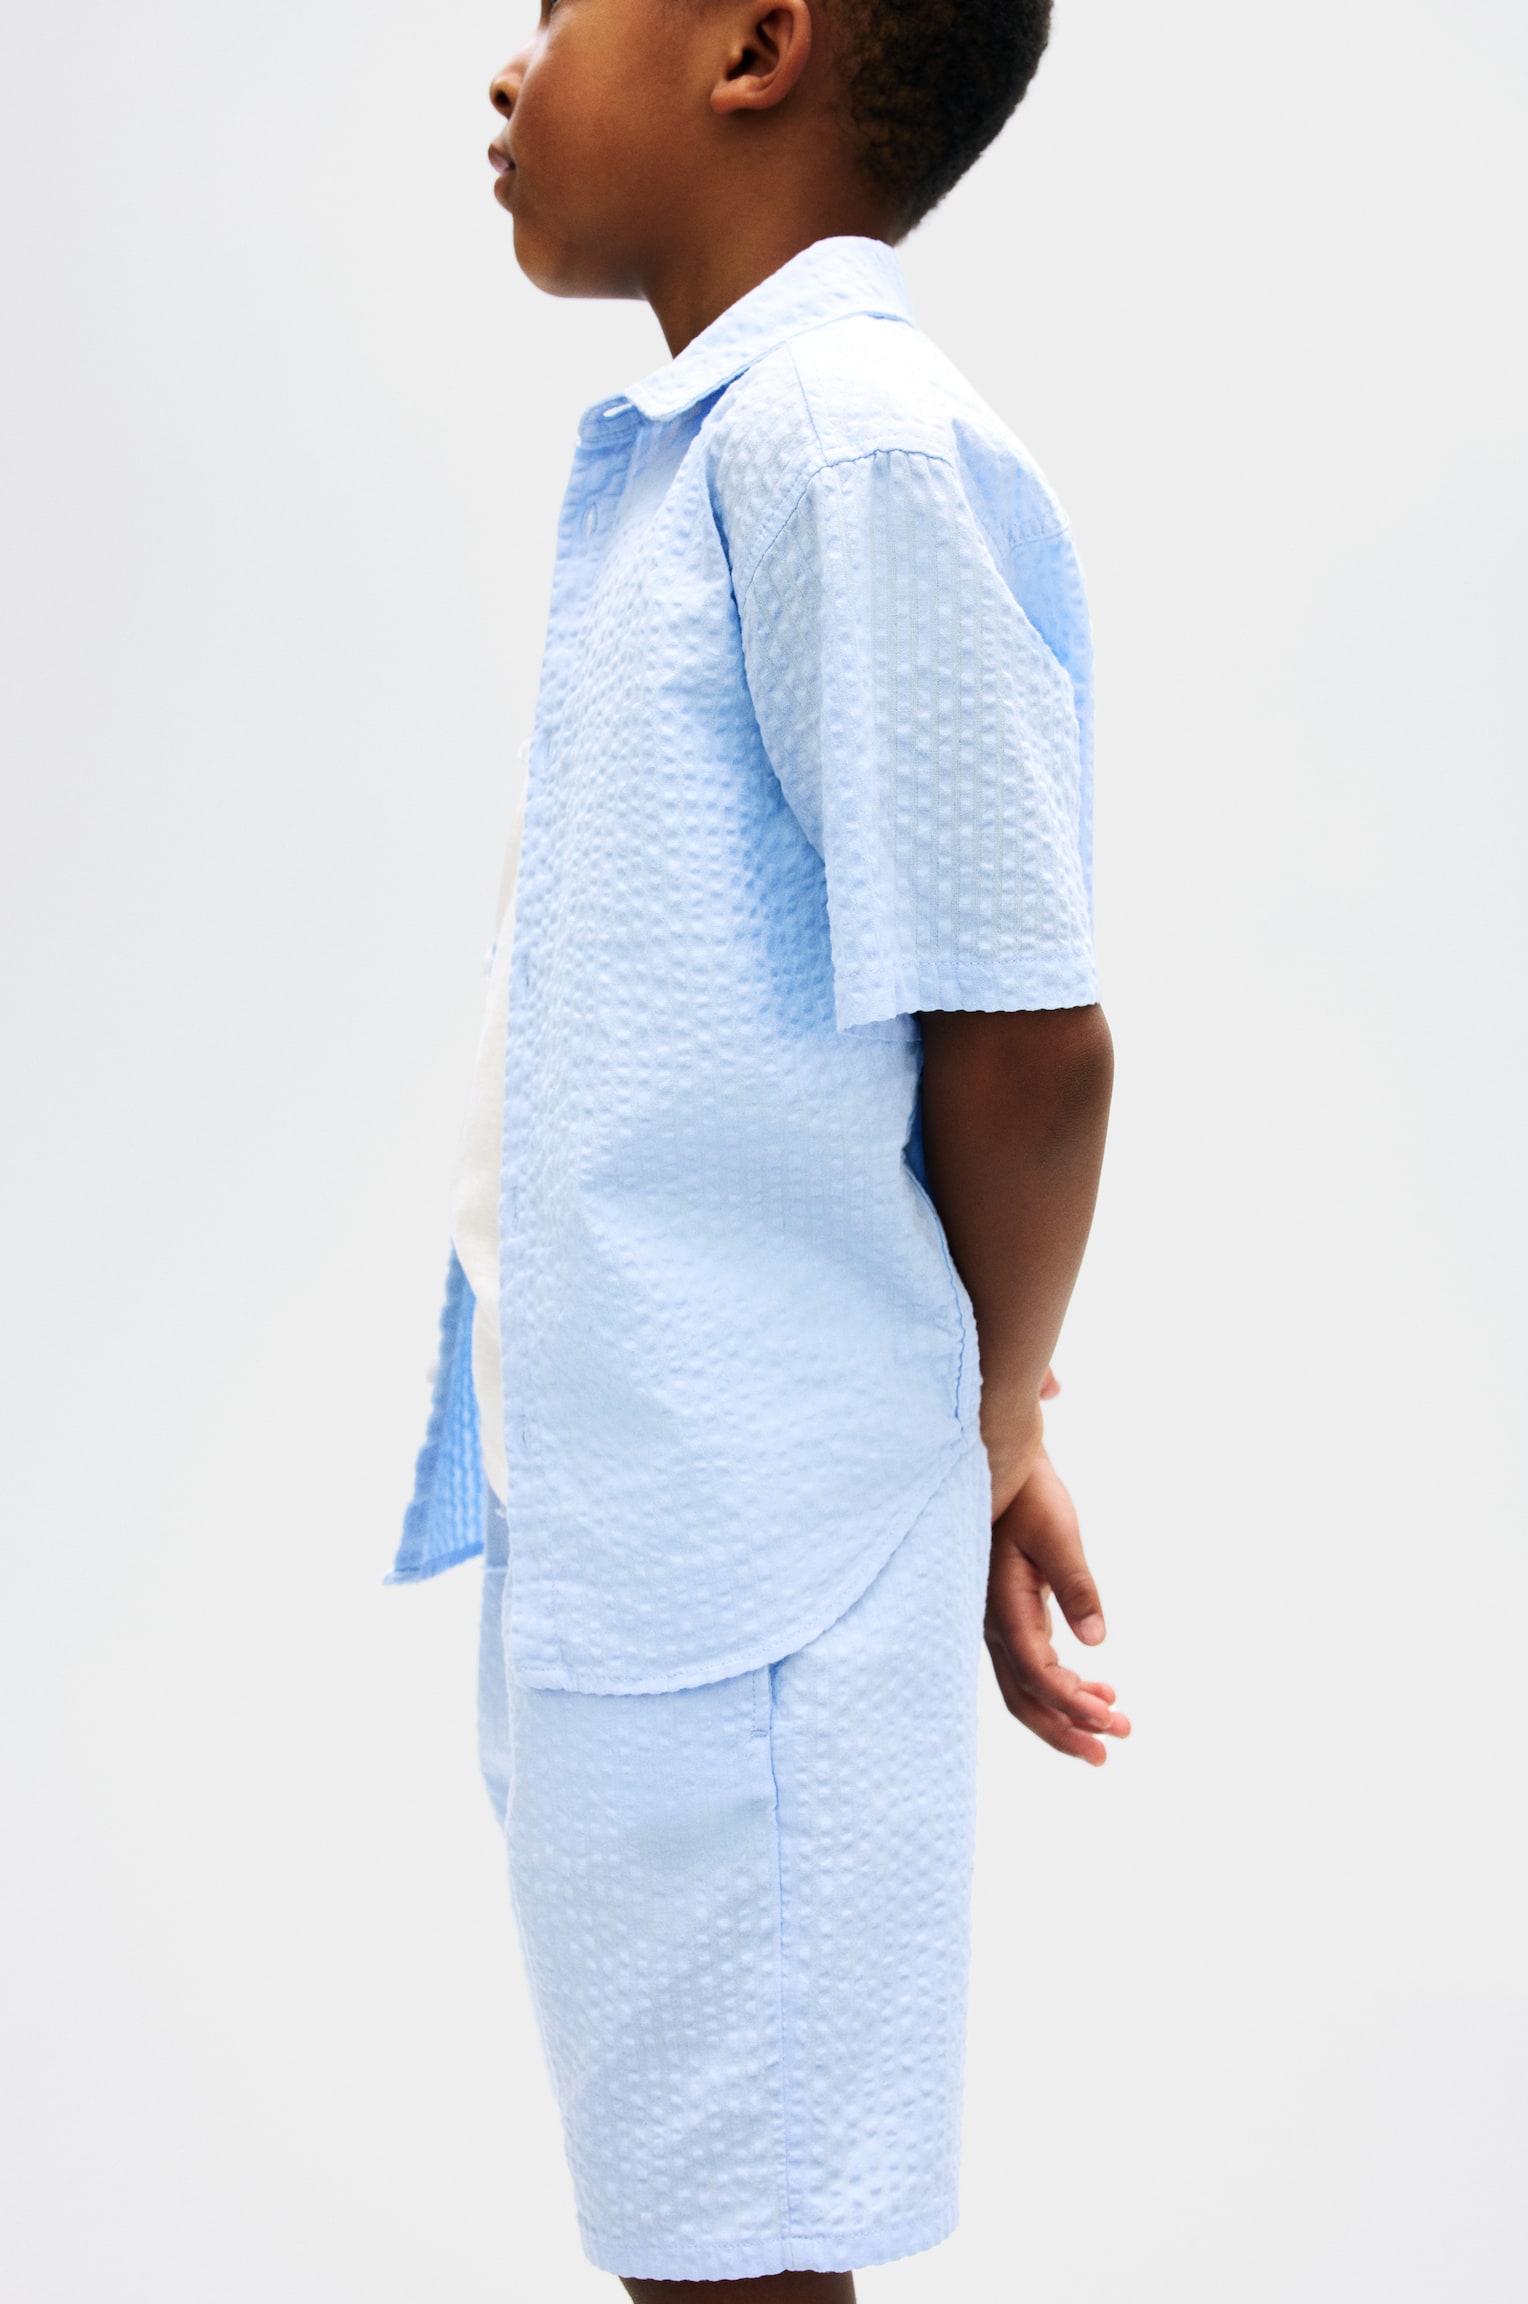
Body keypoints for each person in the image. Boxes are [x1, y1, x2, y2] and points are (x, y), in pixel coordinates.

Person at [391, 0, 1129, 2294]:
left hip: (755, 1570)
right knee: (692, 2237)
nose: (507, 71)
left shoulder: (842, 447)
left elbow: (1030, 1042)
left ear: (758, 46)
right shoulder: (711, 456)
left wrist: (991, 1424)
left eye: (557, 9)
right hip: (641, 1543)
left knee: (743, 2255)